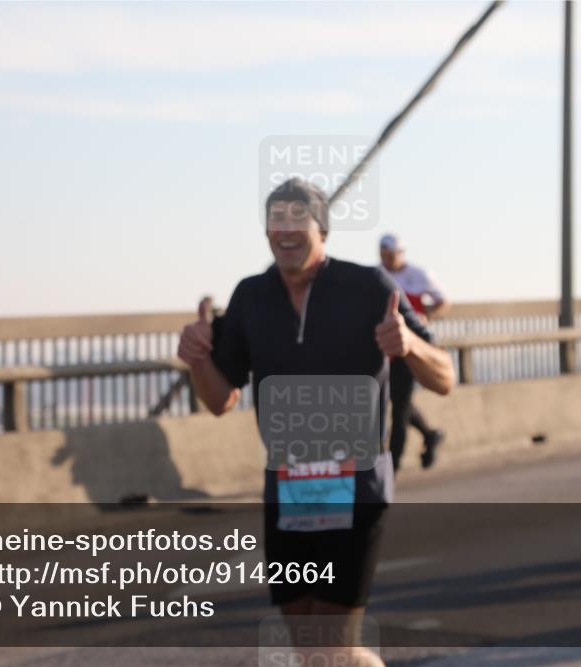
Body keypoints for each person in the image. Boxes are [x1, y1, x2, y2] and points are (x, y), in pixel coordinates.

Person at [178, 178, 454, 667]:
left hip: (355, 484)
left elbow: (445, 377)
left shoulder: (369, 287)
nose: (285, 230)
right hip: (288, 487)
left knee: (329, 646)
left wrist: (408, 345)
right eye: (275, 219)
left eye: (296, 218)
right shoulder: (251, 296)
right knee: (312, 651)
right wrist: (199, 360)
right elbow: (220, 400)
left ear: (321, 228)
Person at [379, 233, 447, 471]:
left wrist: (424, 317)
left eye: (391, 255)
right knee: (396, 401)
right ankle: (430, 435)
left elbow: (442, 301)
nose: (387, 260)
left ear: (401, 254)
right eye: (384, 255)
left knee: (399, 411)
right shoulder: (377, 275)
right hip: (387, 349)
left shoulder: (418, 275)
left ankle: (392, 467)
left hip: (412, 349)